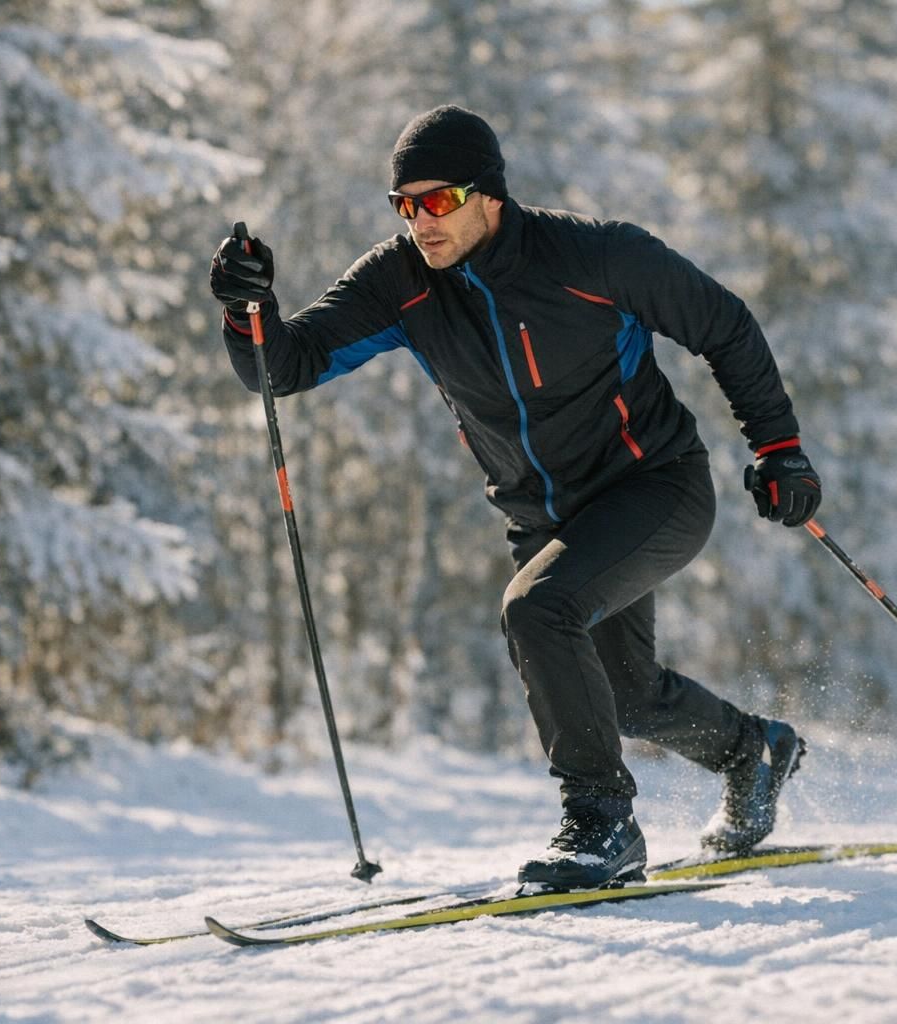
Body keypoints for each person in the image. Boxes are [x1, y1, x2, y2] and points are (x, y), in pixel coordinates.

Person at [210, 105, 820, 892]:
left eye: (437, 201)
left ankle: (602, 826)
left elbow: (724, 326)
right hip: (547, 520)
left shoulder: (596, 256)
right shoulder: (401, 283)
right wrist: (245, 310)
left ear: (488, 194)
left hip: (654, 487)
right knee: (624, 696)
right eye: (403, 204)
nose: (418, 221)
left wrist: (778, 450)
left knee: (537, 610)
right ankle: (750, 750)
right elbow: (284, 367)